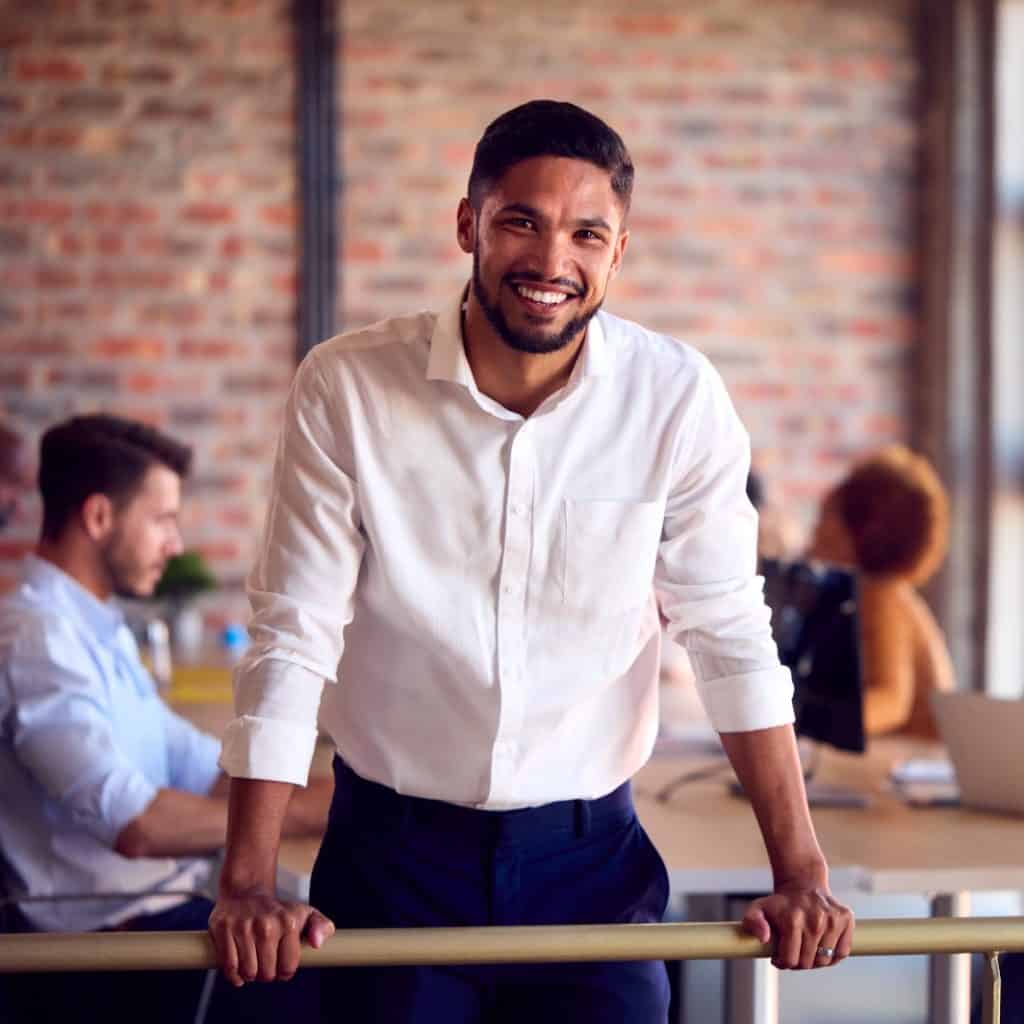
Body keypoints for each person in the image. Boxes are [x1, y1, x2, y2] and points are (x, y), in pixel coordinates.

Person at [211, 100, 855, 1021]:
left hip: (592, 862)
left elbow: (728, 634)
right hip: (391, 860)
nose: (553, 262)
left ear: (620, 252)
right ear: (469, 224)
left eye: (587, 233)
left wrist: (801, 871)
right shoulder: (347, 386)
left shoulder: (676, 398)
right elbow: (293, 632)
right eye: (523, 221)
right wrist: (248, 877)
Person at [0, 414, 329, 1024]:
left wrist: (338, 793)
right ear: (99, 518)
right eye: (163, 520)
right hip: (103, 955)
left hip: (157, 916)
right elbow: (139, 825)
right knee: (338, 981)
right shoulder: (35, 641)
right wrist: (326, 812)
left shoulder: (97, 629)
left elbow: (207, 771)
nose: (176, 544)